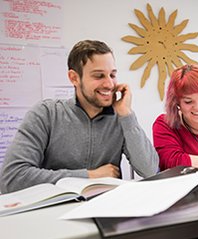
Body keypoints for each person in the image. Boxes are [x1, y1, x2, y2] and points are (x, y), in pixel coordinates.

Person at [0, 40, 159, 193]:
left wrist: (127, 115)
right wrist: (89, 176)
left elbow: (150, 171)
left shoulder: (122, 117)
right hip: (52, 214)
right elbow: (12, 178)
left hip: (104, 210)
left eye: (112, 75)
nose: (109, 84)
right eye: (99, 76)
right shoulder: (46, 114)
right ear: (74, 78)